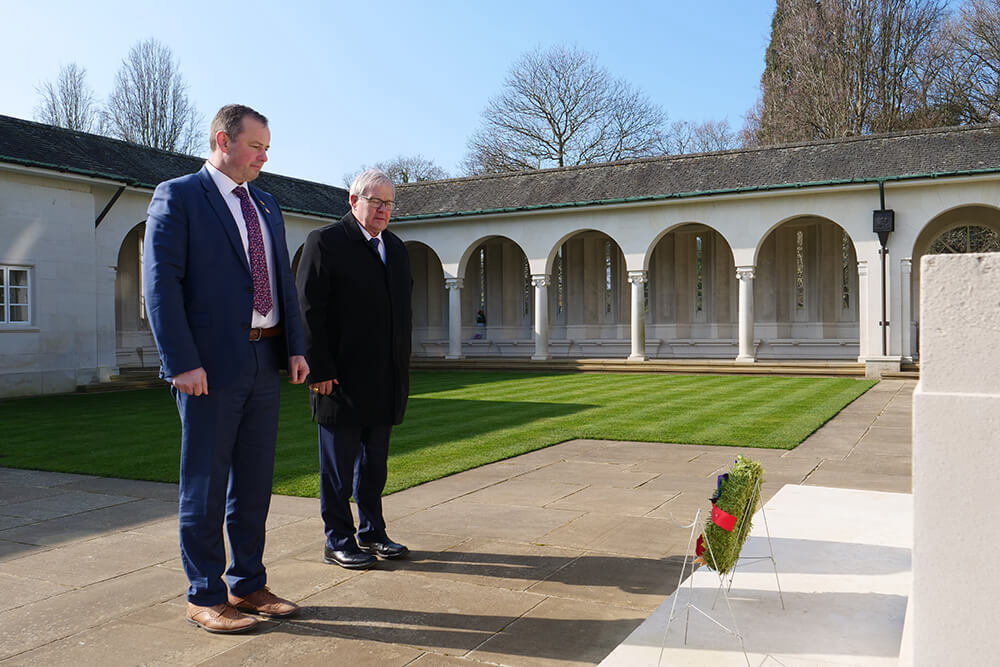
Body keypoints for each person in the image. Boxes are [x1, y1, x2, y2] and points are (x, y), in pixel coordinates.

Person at [143, 104, 309, 633]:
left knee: (255, 483)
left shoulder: (265, 203)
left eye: (267, 148)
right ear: (223, 140)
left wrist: (295, 348)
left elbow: (281, 280)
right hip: (208, 368)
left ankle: (249, 583)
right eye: (256, 146)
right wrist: (181, 362)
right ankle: (205, 594)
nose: (264, 157)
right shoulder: (180, 195)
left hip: (265, 358)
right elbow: (161, 286)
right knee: (205, 483)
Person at [296, 168, 412, 570]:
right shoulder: (325, 243)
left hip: (384, 380)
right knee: (338, 471)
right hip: (338, 381)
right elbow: (309, 312)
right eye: (375, 201)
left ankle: (372, 532)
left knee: (374, 467)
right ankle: (338, 540)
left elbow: (401, 317)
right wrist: (319, 371)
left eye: (389, 203)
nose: (383, 210)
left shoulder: (394, 248)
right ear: (353, 201)